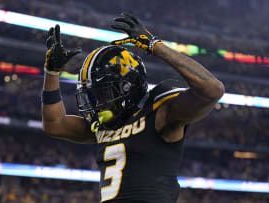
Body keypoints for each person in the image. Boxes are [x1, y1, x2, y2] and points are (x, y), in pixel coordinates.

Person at [42, 13, 224, 203]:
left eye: (104, 93)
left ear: (127, 86)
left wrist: (155, 45)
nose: (98, 103)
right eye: (95, 95)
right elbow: (54, 124)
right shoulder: (105, 123)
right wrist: (51, 72)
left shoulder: (160, 111)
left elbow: (212, 89)